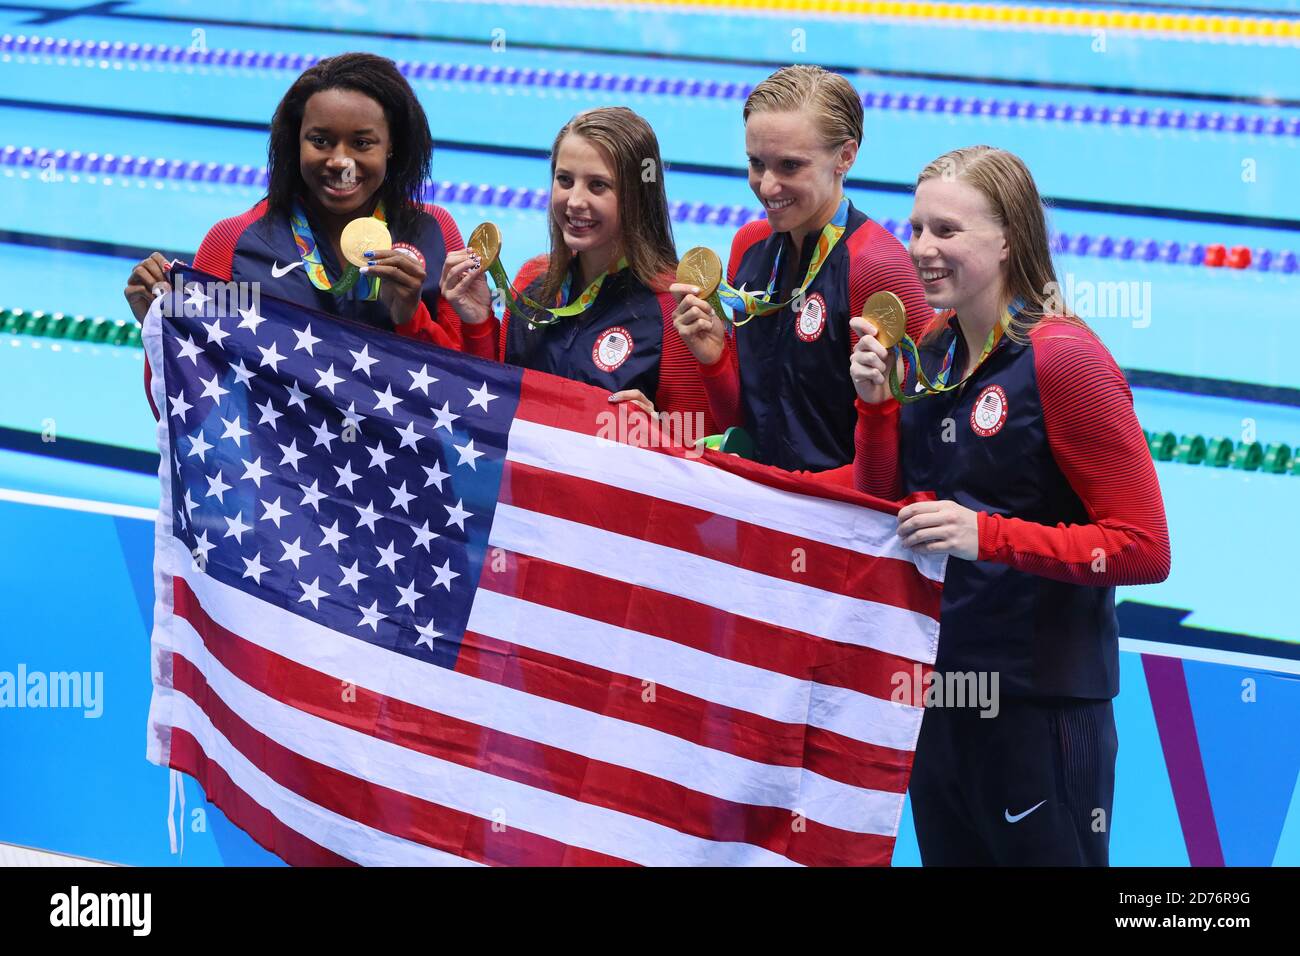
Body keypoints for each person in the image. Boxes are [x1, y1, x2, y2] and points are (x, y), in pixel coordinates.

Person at [849, 145, 1171, 865]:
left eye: (948, 232)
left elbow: (1145, 547)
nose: (923, 250)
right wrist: (874, 409)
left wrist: (988, 535)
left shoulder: (1064, 360)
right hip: (944, 690)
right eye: (918, 229)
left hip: (1040, 704)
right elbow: (881, 505)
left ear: (1008, 241)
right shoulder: (930, 351)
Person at [125, 52, 469, 415]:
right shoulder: (234, 242)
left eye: (362, 143)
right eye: (320, 141)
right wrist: (159, 327)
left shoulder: (432, 231)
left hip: (402, 466)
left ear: (392, 146)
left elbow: (471, 395)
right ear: (296, 141)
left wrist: (409, 318)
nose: (341, 161)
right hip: (281, 468)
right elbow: (191, 409)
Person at [671, 65, 932, 471]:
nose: (768, 186)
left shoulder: (875, 268)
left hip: (839, 520)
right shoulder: (750, 245)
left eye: (790, 166)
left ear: (845, 156)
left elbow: (915, 456)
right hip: (767, 505)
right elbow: (742, 429)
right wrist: (714, 360)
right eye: (757, 163)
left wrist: (802, 498)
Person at [441, 106, 716, 435]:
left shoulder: (675, 307)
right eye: (565, 180)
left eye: (598, 185)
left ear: (637, 197)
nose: (574, 201)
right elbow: (491, 407)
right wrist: (478, 323)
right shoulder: (533, 280)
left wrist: (662, 436)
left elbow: (701, 449)